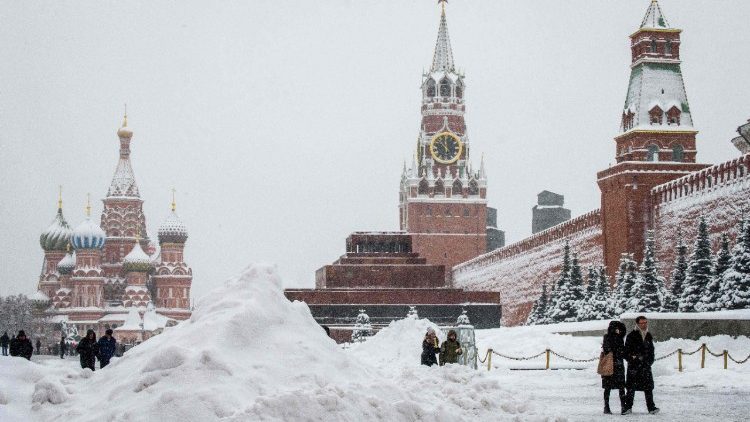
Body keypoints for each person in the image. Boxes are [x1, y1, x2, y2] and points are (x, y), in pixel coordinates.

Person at [623, 316, 659, 415]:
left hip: (645, 366)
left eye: (645, 322)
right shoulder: (631, 336)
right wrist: (633, 358)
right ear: (637, 324)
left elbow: (651, 351)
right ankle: (628, 407)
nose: (644, 325)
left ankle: (651, 407)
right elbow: (626, 352)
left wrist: (649, 362)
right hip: (634, 367)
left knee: (648, 389)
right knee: (631, 388)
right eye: (642, 323)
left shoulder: (648, 335)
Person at [601, 321, 627, 414]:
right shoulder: (614, 337)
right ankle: (619, 407)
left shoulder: (612, 337)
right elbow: (610, 350)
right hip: (614, 365)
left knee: (612, 387)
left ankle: (609, 406)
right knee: (617, 387)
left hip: (613, 365)